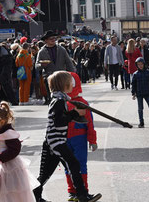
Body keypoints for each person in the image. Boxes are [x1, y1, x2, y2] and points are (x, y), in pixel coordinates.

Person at [33, 71, 101, 202]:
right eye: (70, 82)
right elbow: (59, 122)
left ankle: (35, 196)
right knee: (74, 165)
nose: (72, 84)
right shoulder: (58, 101)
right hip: (56, 141)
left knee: (46, 173)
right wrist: (75, 113)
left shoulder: (60, 99)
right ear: (64, 85)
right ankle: (82, 195)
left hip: (53, 141)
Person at [65, 72, 98, 201]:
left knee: (80, 165)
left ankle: (82, 191)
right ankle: (72, 191)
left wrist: (92, 140)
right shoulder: (62, 103)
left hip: (79, 138)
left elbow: (90, 124)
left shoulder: (82, 103)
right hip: (66, 139)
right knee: (69, 165)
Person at [35, 31, 76, 104]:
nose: (53, 40)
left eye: (54, 38)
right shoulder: (41, 51)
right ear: (46, 40)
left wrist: (73, 73)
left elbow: (68, 62)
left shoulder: (61, 49)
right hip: (49, 77)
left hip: (61, 77)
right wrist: (42, 65)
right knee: (52, 98)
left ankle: (63, 111)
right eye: (51, 38)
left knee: (63, 96)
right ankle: (53, 112)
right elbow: (36, 66)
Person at [131, 57, 149, 128]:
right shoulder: (135, 74)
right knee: (140, 109)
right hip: (139, 94)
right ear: (136, 65)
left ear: (144, 64)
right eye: (138, 64)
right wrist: (133, 93)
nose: (140, 65)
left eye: (141, 64)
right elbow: (133, 85)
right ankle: (141, 122)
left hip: (148, 93)